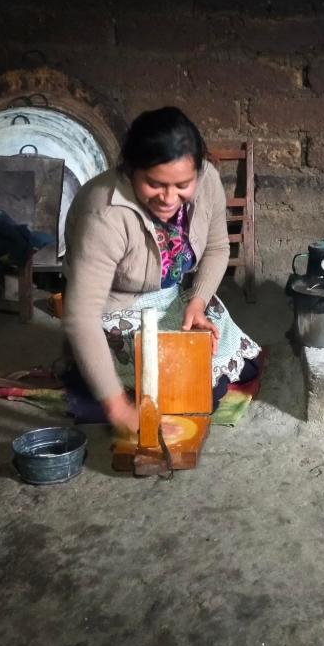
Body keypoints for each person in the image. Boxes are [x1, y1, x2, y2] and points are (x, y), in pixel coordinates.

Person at [62, 107, 261, 434]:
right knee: (184, 395)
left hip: (173, 298)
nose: (169, 198)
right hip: (117, 310)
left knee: (242, 369)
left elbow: (216, 247)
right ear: (130, 170)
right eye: (155, 184)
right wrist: (119, 410)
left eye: (183, 184)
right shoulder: (105, 214)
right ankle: (91, 375)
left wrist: (197, 303)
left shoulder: (207, 180)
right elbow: (81, 314)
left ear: (197, 171)